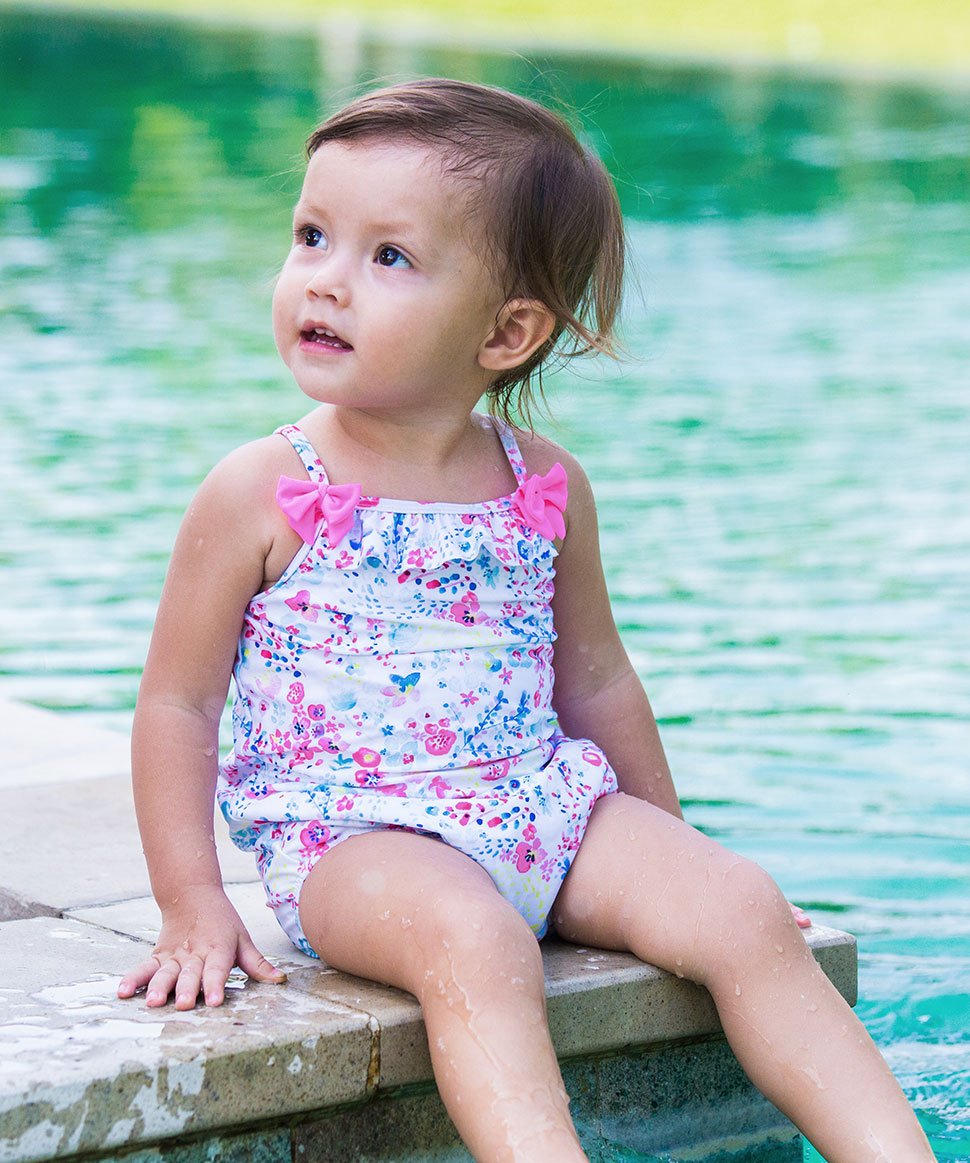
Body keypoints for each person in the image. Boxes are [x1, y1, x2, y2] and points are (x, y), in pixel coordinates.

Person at [118, 78, 934, 1162]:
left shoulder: (542, 481)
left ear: (507, 330)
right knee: (476, 938)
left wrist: (679, 856)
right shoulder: (263, 486)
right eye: (312, 234)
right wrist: (190, 902)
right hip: (357, 837)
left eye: (387, 257)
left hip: (541, 804)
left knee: (741, 903)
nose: (323, 280)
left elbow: (594, 682)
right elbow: (179, 700)